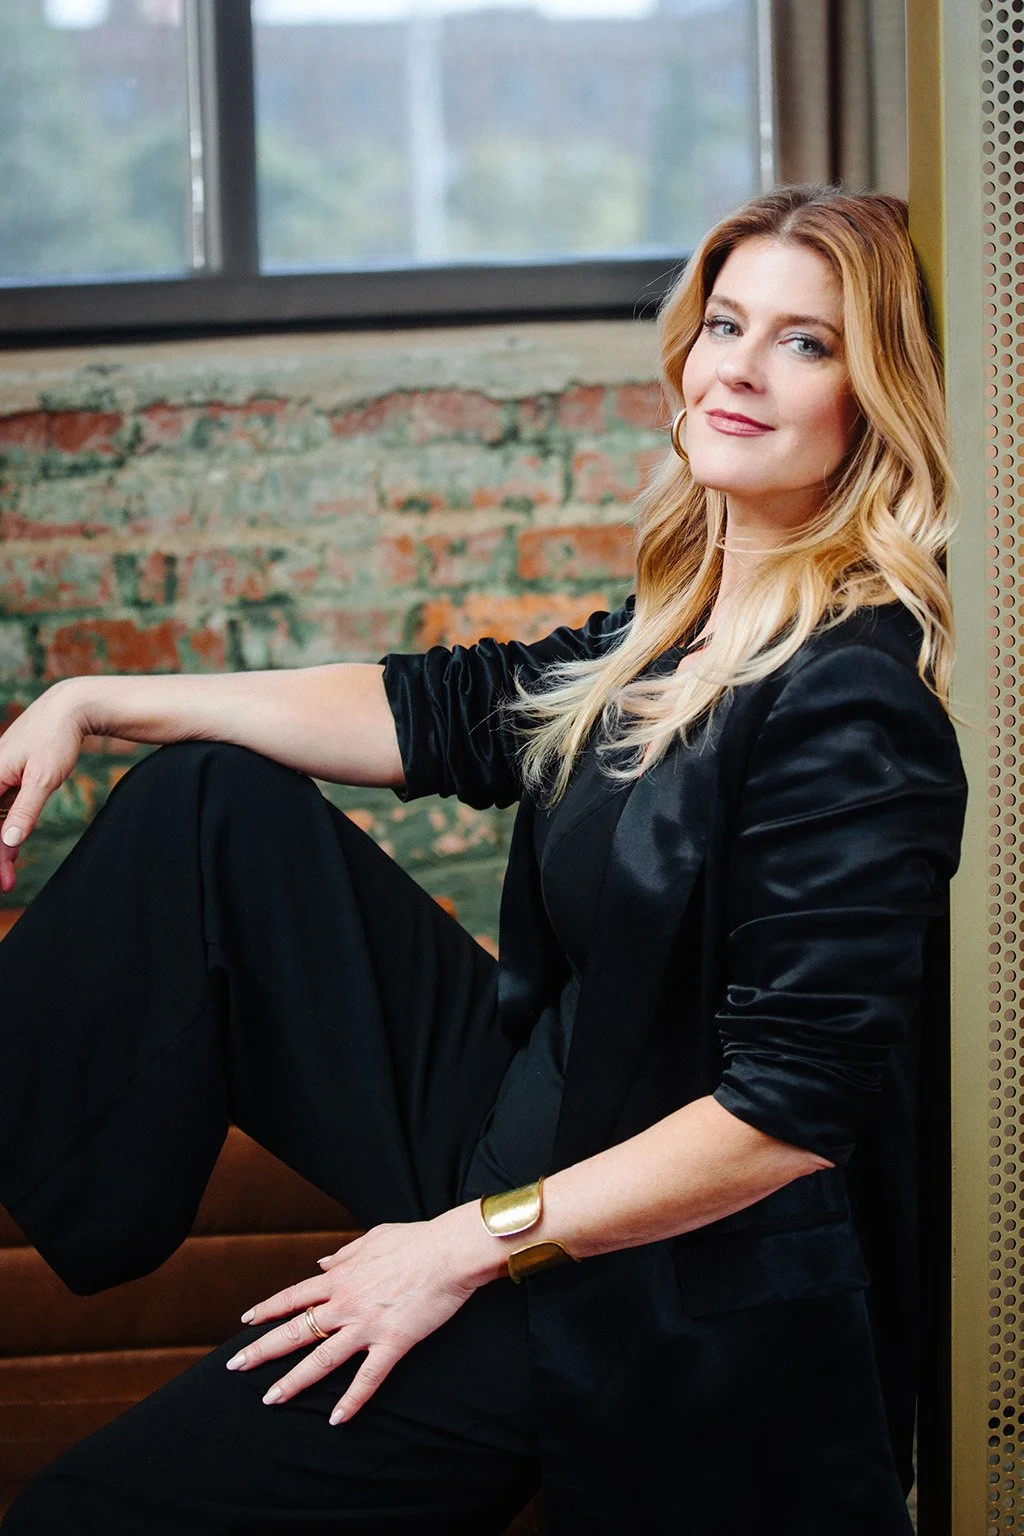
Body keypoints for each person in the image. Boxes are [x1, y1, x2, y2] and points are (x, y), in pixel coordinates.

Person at [0, 184, 966, 1535]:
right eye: (725, 323)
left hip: (634, 1277)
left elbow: (788, 1117)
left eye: (805, 343)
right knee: (204, 802)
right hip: (522, 1121)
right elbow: (439, 711)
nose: (739, 367)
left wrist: (455, 1250)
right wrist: (98, 696)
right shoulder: (671, 634)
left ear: (873, 403)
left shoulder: (855, 705)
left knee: (86, 1517)